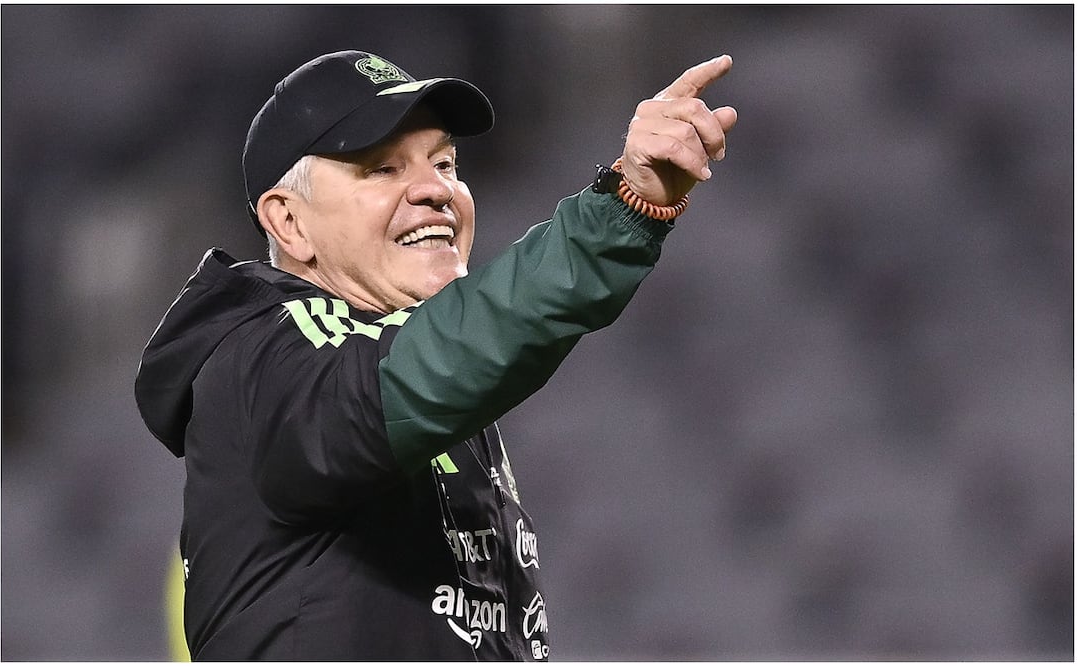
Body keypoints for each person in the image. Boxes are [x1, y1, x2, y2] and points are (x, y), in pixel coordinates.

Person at [135, 49, 736, 661]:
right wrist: (622, 208)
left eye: (445, 162)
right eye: (380, 169)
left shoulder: (422, 377)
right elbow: (422, 370)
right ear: (289, 222)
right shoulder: (260, 358)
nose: (435, 190)